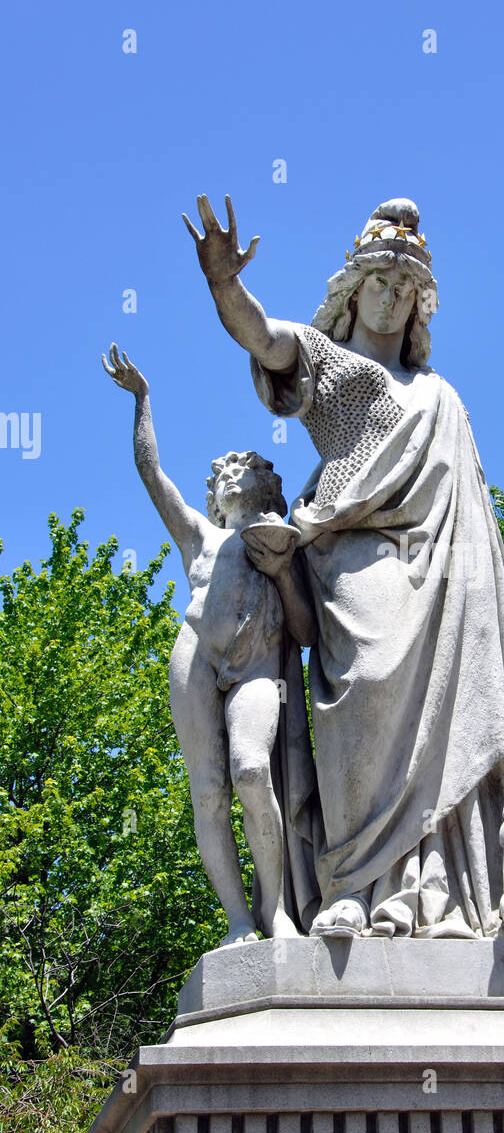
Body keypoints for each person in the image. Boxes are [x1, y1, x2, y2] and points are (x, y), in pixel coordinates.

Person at [183, 196, 504, 938]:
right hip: (354, 567)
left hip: (443, 572)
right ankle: (353, 885)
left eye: (407, 288)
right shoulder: (331, 367)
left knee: (455, 716)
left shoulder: (439, 397)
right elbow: (266, 338)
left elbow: (472, 508)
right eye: (380, 280)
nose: (392, 296)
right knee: (363, 689)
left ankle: (436, 894)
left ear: (419, 306)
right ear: (353, 289)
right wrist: (222, 285)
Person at [103, 343, 317, 944]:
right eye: (225, 475)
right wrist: (143, 400)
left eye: (247, 469)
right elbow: (151, 472)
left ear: (267, 489)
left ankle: (273, 909)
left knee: (252, 771)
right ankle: (236, 920)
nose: (234, 476)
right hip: (195, 653)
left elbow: (302, 634)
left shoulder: (285, 543)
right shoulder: (200, 535)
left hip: (258, 668)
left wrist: (278, 571)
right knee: (209, 790)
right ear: (216, 497)